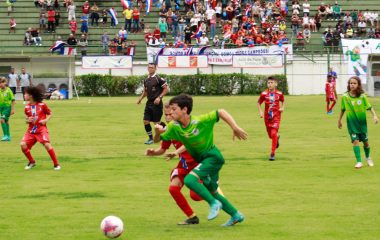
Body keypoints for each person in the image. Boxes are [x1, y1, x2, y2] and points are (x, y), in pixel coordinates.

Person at [155, 94, 247, 227]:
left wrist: (235, 127)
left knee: (189, 180)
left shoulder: (200, 121)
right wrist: (157, 132)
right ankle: (236, 215)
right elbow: (159, 140)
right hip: (203, 161)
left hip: (213, 158)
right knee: (212, 191)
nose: (171, 112)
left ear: (185, 110)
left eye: (174, 109)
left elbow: (220, 111)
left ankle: (214, 204)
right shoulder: (175, 127)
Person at [146, 104, 202, 225]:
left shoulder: (185, 127)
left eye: (170, 114)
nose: (167, 117)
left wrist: (176, 152)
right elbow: (162, 148)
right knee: (173, 189)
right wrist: (153, 152)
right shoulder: (169, 130)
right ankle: (192, 217)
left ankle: (212, 184)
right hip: (184, 164)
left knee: (195, 196)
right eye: (165, 115)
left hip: (197, 164)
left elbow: (189, 143)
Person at [338, 76, 378, 169]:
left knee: (366, 143)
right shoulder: (345, 97)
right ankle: (359, 162)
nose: (352, 85)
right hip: (352, 124)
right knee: (355, 142)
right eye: (351, 83)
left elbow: (369, 107)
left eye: (354, 83)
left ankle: (368, 158)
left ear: (358, 85)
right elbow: (342, 109)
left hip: (362, 124)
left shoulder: (362, 96)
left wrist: (375, 116)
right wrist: (339, 120)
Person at [21, 86, 61, 170]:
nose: (24, 95)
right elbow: (26, 119)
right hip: (31, 130)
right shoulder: (26, 107)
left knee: (47, 144)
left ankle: (56, 164)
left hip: (41, 129)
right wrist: (28, 120)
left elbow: (50, 113)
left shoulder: (42, 105)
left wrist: (45, 120)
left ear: (31, 95)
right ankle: (32, 162)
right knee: (22, 145)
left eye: (25, 94)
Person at [136, 63, 169, 144]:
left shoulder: (158, 78)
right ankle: (150, 138)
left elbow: (166, 89)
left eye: (152, 67)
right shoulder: (146, 80)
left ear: (155, 69)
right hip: (149, 103)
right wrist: (140, 99)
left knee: (156, 123)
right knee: (145, 121)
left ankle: (167, 129)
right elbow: (145, 92)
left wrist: (159, 97)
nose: (150, 69)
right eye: (149, 67)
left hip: (157, 104)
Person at [257, 76, 285, 161]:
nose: (270, 84)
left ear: (275, 84)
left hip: (276, 117)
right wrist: (261, 112)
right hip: (267, 117)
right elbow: (258, 102)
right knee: (270, 136)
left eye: (271, 82)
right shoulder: (264, 94)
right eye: (268, 83)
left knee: (273, 133)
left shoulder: (279, 94)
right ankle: (277, 138)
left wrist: (282, 107)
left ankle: (272, 154)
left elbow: (283, 101)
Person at [0, 77, 15, 141]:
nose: (0, 84)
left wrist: (12, 109)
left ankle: (5, 135)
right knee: (6, 121)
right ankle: (8, 136)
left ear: (5, 83)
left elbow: (13, 100)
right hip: (1, 108)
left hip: (7, 108)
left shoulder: (8, 90)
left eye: (1, 83)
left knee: (2, 120)